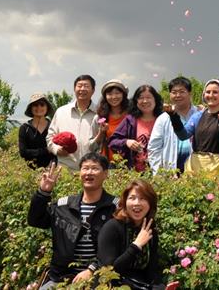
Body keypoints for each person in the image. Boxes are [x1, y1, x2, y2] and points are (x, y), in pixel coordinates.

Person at [28, 153, 117, 288]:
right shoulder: (63, 206)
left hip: (100, 276)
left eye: (94, 168)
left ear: (105, 174)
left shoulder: (115, 207)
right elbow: (36, 220)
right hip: (62, 276)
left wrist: (92, 269)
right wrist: (43, 193)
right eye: (85, 168)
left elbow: (118, 248)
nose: (89, 172)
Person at [168, 79, 219, 189]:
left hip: (217, 163)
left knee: (216, 199)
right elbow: (183, 135)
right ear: (204, 94)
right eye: (208, 92)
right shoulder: (198, 116)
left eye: (215, 92)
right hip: (196, 164)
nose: (211, 95)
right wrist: (174, 117)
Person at [97, 179, 162, 289]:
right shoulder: (112, 227)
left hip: (140, 284)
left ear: (150, 203)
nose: (137, 203)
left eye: (142, 198)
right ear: (125, 202)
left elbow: (152, 270)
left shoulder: (150, 231)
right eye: (132, 198)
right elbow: (109, 271)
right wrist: (136, 245)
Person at [47, 75, 101, 170]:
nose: (82, 89)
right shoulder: (61, 112)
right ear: (74, 89)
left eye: (86, 86)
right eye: (79, 86)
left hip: (91, 170)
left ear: (93, 90)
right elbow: (50, 137)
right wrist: (56, 149)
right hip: (65, 168)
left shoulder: (100, 114)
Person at [148, 77, 199, 174]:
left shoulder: (199, 115)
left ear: (190, 93)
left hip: (197, 171)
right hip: (170, 173)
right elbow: (154, 148)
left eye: (182, 91)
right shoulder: (163, 118)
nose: (178, 95)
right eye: (174, 92)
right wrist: (159, 172)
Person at [109, 85, 164, 171]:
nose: (145, 101)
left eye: (149, 97)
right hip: (134, 174)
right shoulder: (130, 120)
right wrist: (126, 142)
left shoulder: (164, 119)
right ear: (136, 101)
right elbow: (112, 141)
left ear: (155, 100)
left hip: (160, 173)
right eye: (141, 98)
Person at [95, 80, 130, 161]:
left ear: (123, 94)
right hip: (107, 163)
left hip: (129, 162)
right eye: (109, 94)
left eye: (117, 93)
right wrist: (101, 132)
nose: (114, 97)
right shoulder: (100, 117)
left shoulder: (131, 115)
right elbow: (92, 145)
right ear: (105, 96)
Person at [19, 93, 56, 169]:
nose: (39, 107)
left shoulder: (53, 127)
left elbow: (56, 150)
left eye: (42, 105)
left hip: (51, 170)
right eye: (35, 105)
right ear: (31, 108)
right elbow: (23, 152)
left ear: (47, 108)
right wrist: (46, 150)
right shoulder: (25, 128)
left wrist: (52, 165)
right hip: (30, 172)